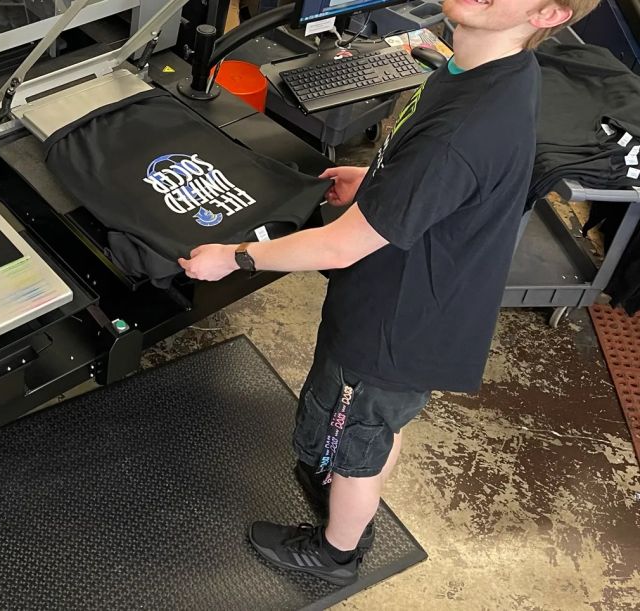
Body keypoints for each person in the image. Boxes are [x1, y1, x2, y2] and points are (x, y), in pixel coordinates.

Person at [178, 0, 598, 586]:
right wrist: (379, 182)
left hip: (393, 327)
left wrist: (235, 257)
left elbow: (340, 247)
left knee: (357, 443)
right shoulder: (485, 69)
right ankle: (345, 490)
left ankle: (337, 552)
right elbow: (438, 178)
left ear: (550, 14)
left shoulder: (467, 127)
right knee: (370, 428)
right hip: (416, 296)